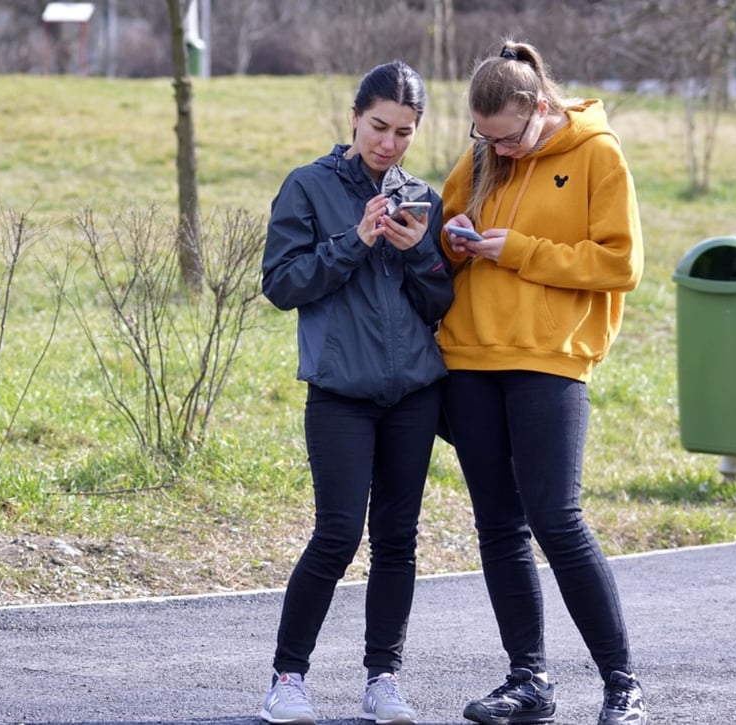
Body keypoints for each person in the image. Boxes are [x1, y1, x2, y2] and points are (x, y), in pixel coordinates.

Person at [437, 40, 648, 725]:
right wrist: (452, 237)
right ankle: (528, 680)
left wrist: (521, 251)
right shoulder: (482, 157)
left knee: (557, 519)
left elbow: (621, 264)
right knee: (499, 525)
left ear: (537, 106)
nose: (497, 149)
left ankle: (622, 684)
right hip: (469, 359)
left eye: (507, 137)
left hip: (550, 358)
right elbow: (442, 237)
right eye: (484, 137)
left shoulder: (597, 153)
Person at [258, 60, 452, 725]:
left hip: (414, 393)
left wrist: (420, 251)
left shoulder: (421, 196)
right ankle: (287, 678)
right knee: (337, 534)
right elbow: (282, 284)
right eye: (378, 127)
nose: (389, 143)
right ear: (354, 119)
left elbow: (439, 302)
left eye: (404, 131)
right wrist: (354, 240)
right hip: (340, 390)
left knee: (397, 538)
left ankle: (383, 679)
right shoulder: (307, 186)